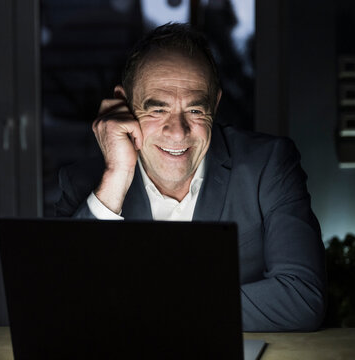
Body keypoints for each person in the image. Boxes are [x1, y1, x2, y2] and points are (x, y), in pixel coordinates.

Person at [55, 23, 326, 332]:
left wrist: (155, 308)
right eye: (158, 110)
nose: (178, 131)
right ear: (124, 104)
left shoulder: (269, 165)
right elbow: (62, 302)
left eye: (196, 111)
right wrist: (117, 176)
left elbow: (302, 298)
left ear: (215, 104)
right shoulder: (84, 183)